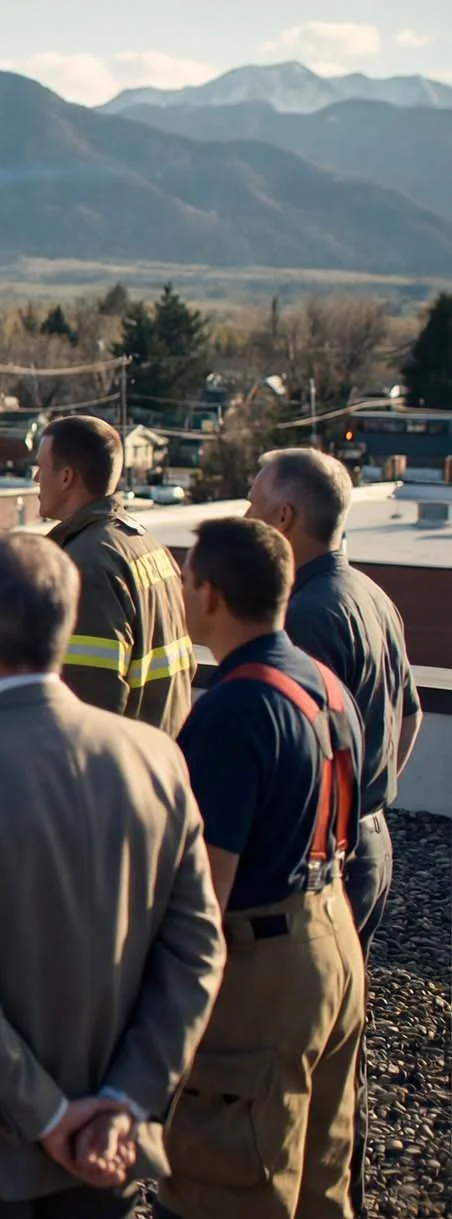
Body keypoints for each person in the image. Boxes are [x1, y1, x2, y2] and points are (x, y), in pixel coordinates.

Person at [0, 532, 224, 1219]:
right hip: (106, 1143)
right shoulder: (157, 758)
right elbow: (196, 952)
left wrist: (48, 1115)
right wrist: (125, 1101)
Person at [162, 518, 364, 1219]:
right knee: (318, 1181)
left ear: (210, 594)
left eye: (187, 581)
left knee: (227, 1181)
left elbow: (206, 891)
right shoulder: (326, 685)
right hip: (333, 939)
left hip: (263, 968)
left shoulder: (234, 710)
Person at [247, 446, 421, 1215]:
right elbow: (410, 712)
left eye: (254, 503)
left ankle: (297, 1192)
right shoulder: (372, 595)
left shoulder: (307, 616)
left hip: (326, 856)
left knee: (293, 1044)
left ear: (285, 517)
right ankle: (338, 1187)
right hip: (370, 838)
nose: (247, 514)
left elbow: (297, 744)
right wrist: (370, 798)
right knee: (341, 1031)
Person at [34, 415, 192, 735]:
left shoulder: (85, 567)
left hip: (115, 760)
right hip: (157, 752)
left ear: (66, 477)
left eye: (41, 467)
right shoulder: (145, 545)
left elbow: (89, 705)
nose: (36, 477)